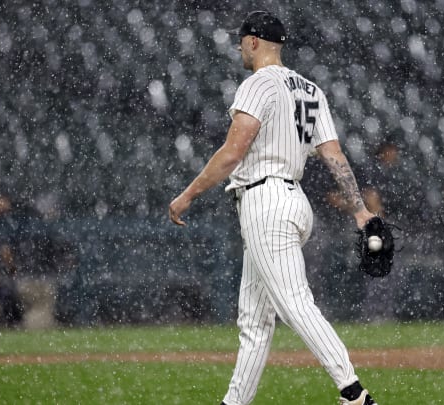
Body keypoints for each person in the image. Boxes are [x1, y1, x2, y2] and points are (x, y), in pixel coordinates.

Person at [168, 11, 379, 405]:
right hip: (292, 201)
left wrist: (189, 194)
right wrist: (360, 211)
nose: (238, 48)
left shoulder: (258, 84)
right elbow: (333, 155)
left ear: (252, 42)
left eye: (240, 41)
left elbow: (233, 152)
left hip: (266, 201)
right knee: (255, 320)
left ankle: (353, 393)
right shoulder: (311, 90)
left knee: (295, 303)